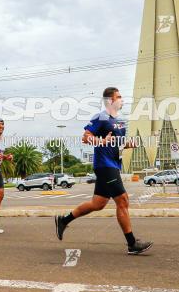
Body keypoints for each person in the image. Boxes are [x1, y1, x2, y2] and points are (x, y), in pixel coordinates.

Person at [54, 87, 153, 255]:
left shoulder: (120, 122)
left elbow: (119, 143)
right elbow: (85, 137)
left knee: (97, 204)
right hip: (104, 165)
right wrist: (101, 139)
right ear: (110, 101)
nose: (122, 99)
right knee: (122, 200)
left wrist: (131, 144)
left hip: (113, 164)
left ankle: (64, 220)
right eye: (119, 97)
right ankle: (132, 244)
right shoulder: (100, 117)